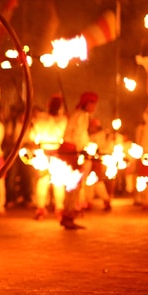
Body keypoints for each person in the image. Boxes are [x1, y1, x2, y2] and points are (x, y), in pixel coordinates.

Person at [59, 91, 98, 230]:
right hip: (73, 152)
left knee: (72, 185)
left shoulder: (77, 115)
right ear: (86, 104)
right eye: (92, 103)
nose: (94, 107)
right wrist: (83, 151)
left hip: (69, 151)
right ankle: (68, 216)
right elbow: (78, 135)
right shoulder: (82, 116)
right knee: (74, 185)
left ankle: (68, 214)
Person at [28, 95, 67, 220]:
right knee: (51, 182)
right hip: (47, 154)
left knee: (51, 182)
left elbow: (32, 136)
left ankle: (51, 208)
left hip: (52, 154)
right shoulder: (62, 120)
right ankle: (48, 208)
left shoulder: (42, 119)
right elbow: (32, 137)